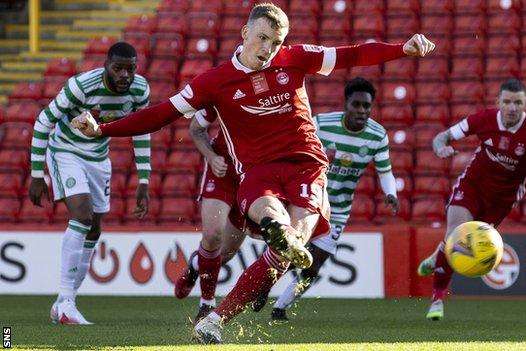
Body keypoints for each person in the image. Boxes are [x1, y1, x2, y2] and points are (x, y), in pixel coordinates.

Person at [71, 3, 434, 343]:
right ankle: (276, 236)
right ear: (245, 32)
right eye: (261, 38)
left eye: (276, 42)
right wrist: (104, 129)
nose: (268, 49)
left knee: (298, 236)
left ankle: (216, 319)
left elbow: (353, 55)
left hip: (305, 164)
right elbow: (162, 113)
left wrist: (404, 48)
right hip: (257, 171)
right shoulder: (215, 81)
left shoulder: (295, 59)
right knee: (272, 219)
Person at [250, 77, 400, 321]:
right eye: (357, 105)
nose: (362, 111)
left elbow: (385, 171)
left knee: (314, 265)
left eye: (367, 106)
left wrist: (390, 193)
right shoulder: (321, 124)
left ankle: (280, 308)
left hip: (338, 209)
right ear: (346, 104)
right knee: (288, 249)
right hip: (308, 200)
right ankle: (264, 285)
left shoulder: (377, 135)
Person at [28, 42, 151, 325]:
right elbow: (43, 121)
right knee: (81, 216)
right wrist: (37, 174)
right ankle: (67, 303)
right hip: (66, 151)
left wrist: (143, 178)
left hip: (98, 158)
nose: (124, 75)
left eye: (130, 69)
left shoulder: (140, 90)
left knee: (94, 229)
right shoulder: (80, 86)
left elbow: (142, 130)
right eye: (118, 68)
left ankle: (64, 302)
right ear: (106, 65)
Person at [416, 79, 526, 320]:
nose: (512, 107)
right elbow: (442, 137)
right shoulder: (482, 119)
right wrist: (440, 148)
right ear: (498, 102)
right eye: (507, 102)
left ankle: (438, 253)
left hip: (503, 198)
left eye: (518, 103)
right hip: (473, 185)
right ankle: (437, 299)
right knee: (456, 235)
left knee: (465, 244)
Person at [173, 108, 251, 326]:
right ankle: (206, 304)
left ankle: (196, 264)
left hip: (254, 175)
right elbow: (196, 130)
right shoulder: (224, 87)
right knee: (212, 235)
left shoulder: (274, 94)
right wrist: (212, 156)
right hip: (223, 171)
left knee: (224, 254)